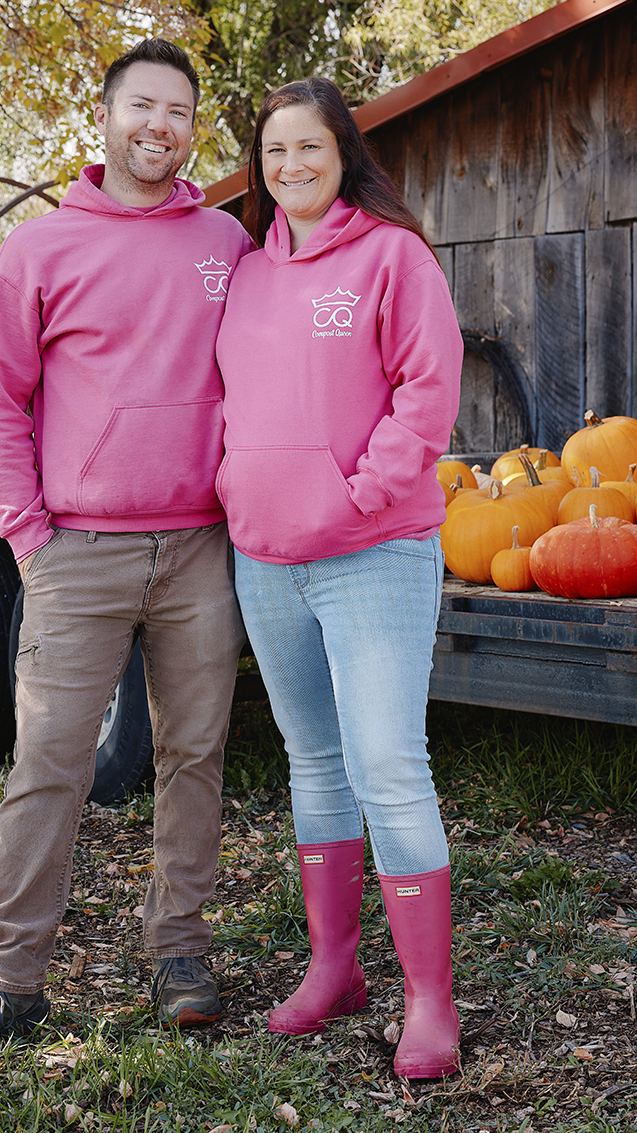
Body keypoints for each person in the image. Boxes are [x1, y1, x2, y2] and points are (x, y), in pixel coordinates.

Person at [0, 38, 252, 1061]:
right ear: (104, 117)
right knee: (50, 762)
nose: (161, 126)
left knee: (195, 755)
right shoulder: (39, 249)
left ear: (194, 130)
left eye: (180, 112)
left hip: (201, 547)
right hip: (78, 550)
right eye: (143, 106)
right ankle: (10, 977)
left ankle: (179, 951)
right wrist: (26, 535)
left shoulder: (225, 243)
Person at [215, 78, 464, 1080]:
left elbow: (427, 386)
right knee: (311, 761)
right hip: (264, 555)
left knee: (388, 767)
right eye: (274, 154)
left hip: (372, 552)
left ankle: (429, 1002)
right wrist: (233, 489)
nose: (290, 169)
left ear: (342, 152)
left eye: (308, 149)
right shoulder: (247, 269)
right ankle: (333, 967)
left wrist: (362, 492)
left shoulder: (389, 256)